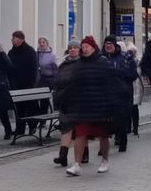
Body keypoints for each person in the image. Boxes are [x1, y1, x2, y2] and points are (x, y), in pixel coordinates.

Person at [62, 36, 116, 177]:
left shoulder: (103, 62)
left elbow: (110, 85)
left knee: (103, 135)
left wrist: (111, 104)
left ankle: (105, 161)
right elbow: (73, 85)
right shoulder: (79, 65)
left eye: (87, 47)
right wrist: (68, 100)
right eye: (83, 47)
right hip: (83, 106)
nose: (84, 49)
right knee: (80, 134)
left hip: (101, 105)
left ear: (93, 48)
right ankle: (76, 165)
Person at [101, 35, 137, 152]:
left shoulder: (124, 58)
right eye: (106, 44)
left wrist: (117, 73)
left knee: (120, 119)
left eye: (110, 44)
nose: (108, 46)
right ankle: (103, 146)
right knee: (104, 120)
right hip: (104, 93)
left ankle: (122, 140)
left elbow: (132, 75)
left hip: (120, 92)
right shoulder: (101, 58)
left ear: (115, 45)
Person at [52, 38, 82, 167]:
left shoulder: (83, 63)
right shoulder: (63, 64)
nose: (73, 50)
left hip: (79, 101)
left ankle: (83, 154)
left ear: (79, 50)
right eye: (71, 48)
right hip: (65, 100)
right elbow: (57, 80)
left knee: (80, 129)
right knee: (66, 128)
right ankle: (62, 156)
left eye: (75, 48)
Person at [7, 30, 39, 136]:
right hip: (16, 85)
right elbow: (9, 69)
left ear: (21, 39)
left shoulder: (30, 51)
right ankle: (19, 128)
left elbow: (34, 69)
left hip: (28, 84)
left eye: (14, 38)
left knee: (30, 107)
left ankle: (32, 126)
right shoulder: (11, 52)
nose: (12, 40)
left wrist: (32, 84)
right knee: (19, 109)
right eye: (12, 38)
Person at [37, 37, 59, 122]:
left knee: (50, 98)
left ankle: (54, 117)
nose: (41, 44)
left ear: (47, 44)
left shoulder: (52, 55)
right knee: (43, 99)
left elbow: (56, 69)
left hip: (51, 78)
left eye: (43, 42)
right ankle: (42, 119)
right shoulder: (37, 53)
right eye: (40, 42)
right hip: (42, 78)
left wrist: (56, 81)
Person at [126, 42, 144, 136]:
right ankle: (129, 127)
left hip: (136, 86)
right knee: (130, 107)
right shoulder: (127, 61)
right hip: (130, 86)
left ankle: (135, 127)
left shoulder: (137, 61)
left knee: (134, 107)